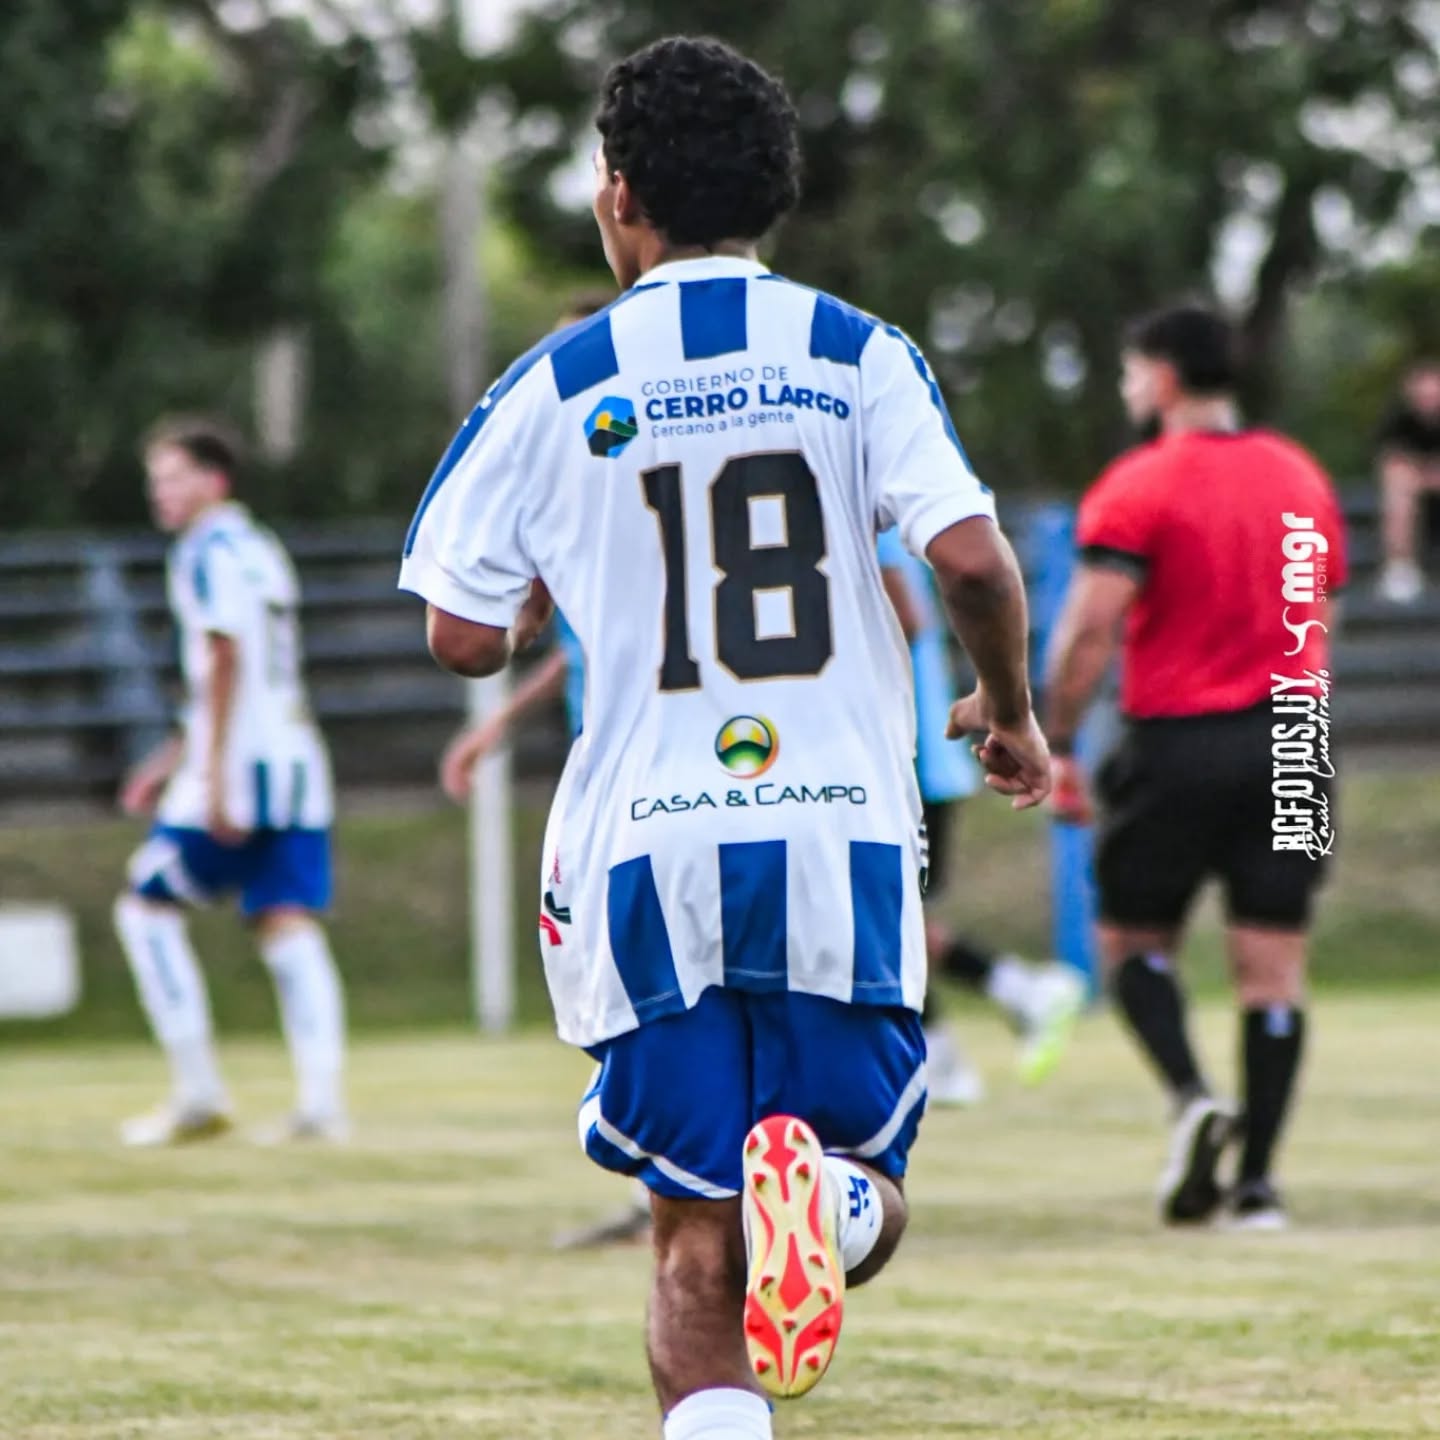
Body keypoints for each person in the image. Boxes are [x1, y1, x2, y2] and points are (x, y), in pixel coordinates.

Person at [400, 35, 1048, 1439]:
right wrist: (1010, 712)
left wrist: (556, 589)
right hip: (840, 842)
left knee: (693, 1242)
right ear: (773, 194)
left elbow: (458, 632)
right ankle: (837, 1198)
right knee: (859, 1188)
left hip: (646, 855)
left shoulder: (551, 385)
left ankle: (780, 1240)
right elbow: (979, 564)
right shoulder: (857, 353)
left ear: (617, 196)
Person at [1044, 304, 1347, 1232]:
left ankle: (1190, 1095)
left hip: (1179, 738)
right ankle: (1257, 1185)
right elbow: (1319, 614)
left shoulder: (1141, 484)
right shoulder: (1301, 477)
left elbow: (1093, 627)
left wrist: (1053, 739)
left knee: (1131, 945)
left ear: (1166, 376)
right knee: (1273, 972)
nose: (1132, 390)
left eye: (1135, 373)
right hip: (1296, 735)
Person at [114, 418, 347, 1147]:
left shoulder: (205, 551)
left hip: (241, 768)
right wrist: (172, 755)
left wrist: (209, 773)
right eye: (155, 479)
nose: (161, 492)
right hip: (295, 764)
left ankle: (198, 1090)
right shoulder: (260, 547)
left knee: (144, 906)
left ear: (214, 481)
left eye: (173, 476)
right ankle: (321, 1103)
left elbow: (223, 656)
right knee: (285, 921)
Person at [876, 527, 1084, 1104]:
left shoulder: (858, 509)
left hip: (904, 757)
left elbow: (907, 616)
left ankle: (993, 1013)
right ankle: (968, 1031)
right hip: (908, 756)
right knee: (885, 914)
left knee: (881, 914)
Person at [1374, 358, 1440, 603]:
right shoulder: (1398, 423)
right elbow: (1392, 465)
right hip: (1414, 502)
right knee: (1398, 489)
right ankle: (1400, 568)